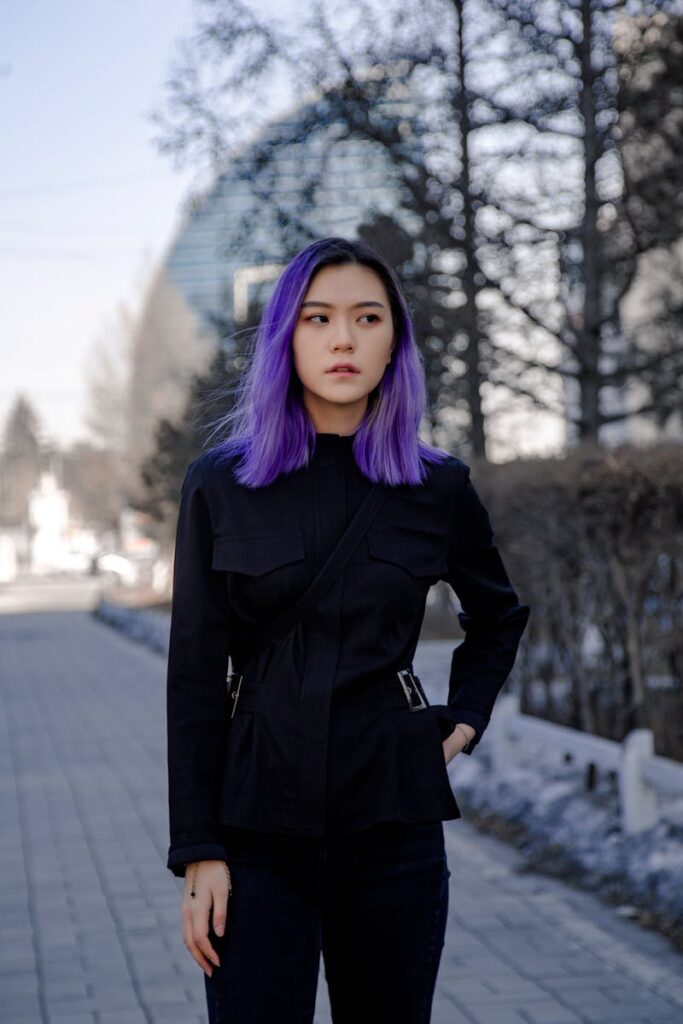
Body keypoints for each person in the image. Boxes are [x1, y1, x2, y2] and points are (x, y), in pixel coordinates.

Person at [166, 236, 530, 1023]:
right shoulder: (220, 486)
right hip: (255, 832)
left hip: (392, 832)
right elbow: (194, 676)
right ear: (283, 339)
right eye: (316, 318)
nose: (342, 339)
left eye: (367, 318)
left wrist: (463, 720)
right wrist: (199, 851)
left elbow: (498, 616)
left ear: (393, 339)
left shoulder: (435, 486)